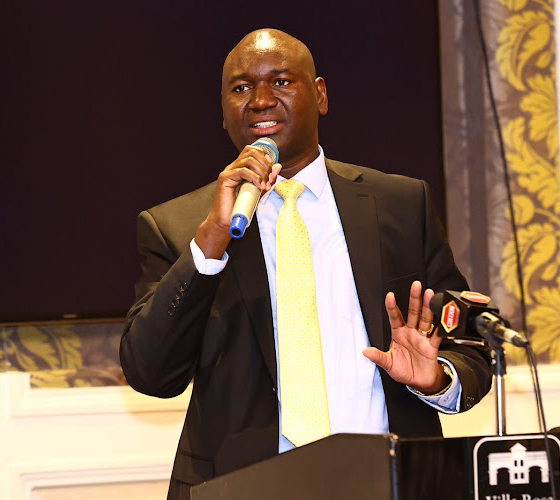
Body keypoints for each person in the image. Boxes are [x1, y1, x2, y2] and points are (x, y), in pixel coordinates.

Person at [120, 28, 492, 499]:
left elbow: (469, 342)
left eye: (280, 81)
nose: (259, 100)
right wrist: (210, 244)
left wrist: (437, 378)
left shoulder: (399, 203)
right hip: (242, 488)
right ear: (222, 112)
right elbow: (150, 374)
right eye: (240, 88)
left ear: (319, 95)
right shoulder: (179, 226)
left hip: (390, 481)